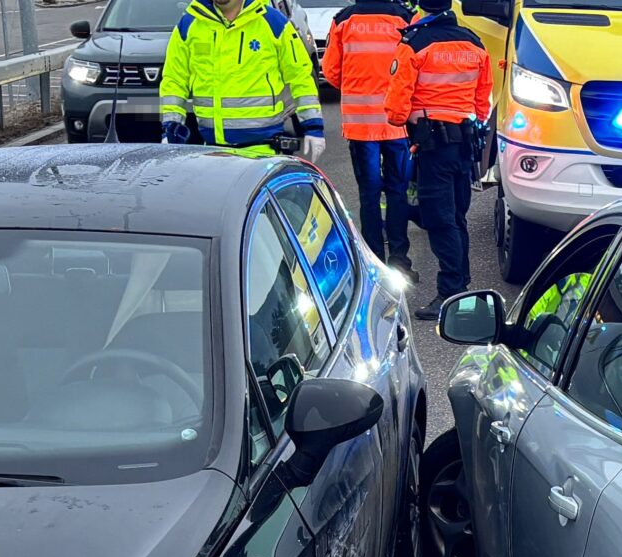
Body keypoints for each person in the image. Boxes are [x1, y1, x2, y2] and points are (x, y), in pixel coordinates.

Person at [387, 0, 488, 318]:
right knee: (457, 217)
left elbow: (396, 110)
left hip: (433, 146)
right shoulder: (473, 41)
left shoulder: (414, 44)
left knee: (439, 219)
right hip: (464, 144)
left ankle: (451, 294)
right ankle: (462, 285)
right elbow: (483, 101)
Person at [157, 0, 326, 159]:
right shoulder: (189, 25)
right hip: (213, 151)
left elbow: (300, 75)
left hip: (264, 151)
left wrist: (313, 126)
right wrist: (171, 125)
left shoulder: (273, 23)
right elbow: (174, 80)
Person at [320, 0, 414, 275]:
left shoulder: (344, 20)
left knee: (369, 196)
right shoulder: (404, 18)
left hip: (361, 127)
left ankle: (374, 262)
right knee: (397, 193)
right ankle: (400, 261)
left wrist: (356, 81)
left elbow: (331, 72)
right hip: (397, 124)